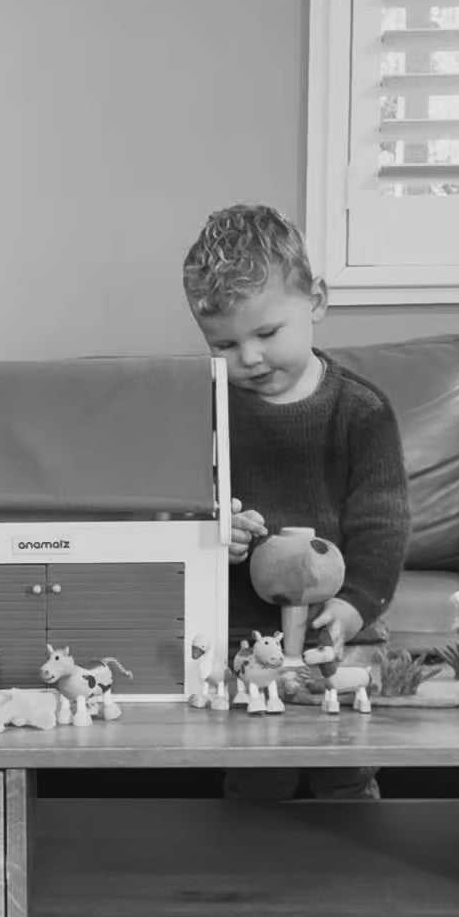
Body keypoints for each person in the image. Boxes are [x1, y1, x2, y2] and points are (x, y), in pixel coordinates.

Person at [183, 203, 411, 800]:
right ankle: (251, 848)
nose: (249, 358)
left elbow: (383, 525)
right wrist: (217, 534)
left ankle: (356, 839)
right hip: (244, 637)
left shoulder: (360, 410)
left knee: (346, 762)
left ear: (317, 301)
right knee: (255, 768)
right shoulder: (206, 410)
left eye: (266, 334)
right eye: (224, 344)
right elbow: (181, 511)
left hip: (342, 630)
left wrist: (356, 607)